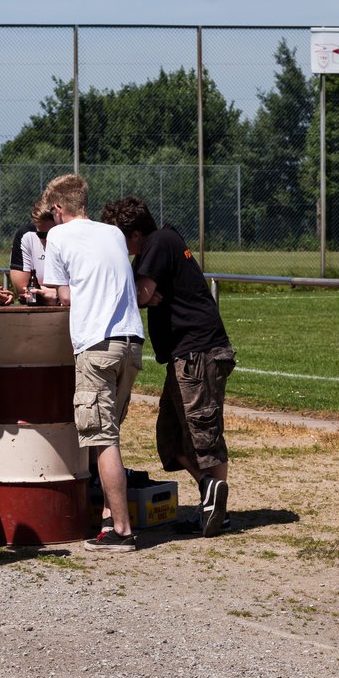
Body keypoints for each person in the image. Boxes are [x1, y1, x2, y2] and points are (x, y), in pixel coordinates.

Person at [101, 196, 236, 536]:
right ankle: (210, 491)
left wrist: (141, 293)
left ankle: (217, 507)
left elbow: (141, 293)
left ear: (132, 235)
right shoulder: (157, 245)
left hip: (197, 353)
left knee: (202, 431)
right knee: (171, 437)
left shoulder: (159, 242)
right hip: (185, 354)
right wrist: (142, 292)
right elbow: (142, 291)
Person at [39, 173, 144, 552]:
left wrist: (44, 293)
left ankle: (122, 529)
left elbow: (63, 296)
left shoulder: (58, 236)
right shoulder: (113, 233)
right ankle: (105, 519)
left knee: (102, 439)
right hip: (131, 343)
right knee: (109, 435)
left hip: (96, 345)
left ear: (57, 209)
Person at [9, 198, 59, 305]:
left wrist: (54, 294)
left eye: (51, 234)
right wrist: (55, 292)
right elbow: (22, 289)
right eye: (41, 235)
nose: (47, 240)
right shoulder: (25, 235)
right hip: (35, 305)